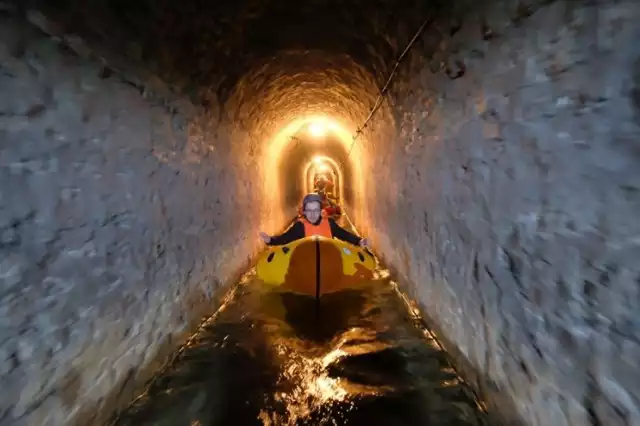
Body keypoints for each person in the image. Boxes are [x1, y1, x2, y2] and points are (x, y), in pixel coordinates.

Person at [259, 193, 369, 247]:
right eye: (309, 210)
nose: (312, 214)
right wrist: (271, 240)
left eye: (316, 210)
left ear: (321, 211)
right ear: (304, 212)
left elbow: (344, 234)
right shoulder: (299, 227)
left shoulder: (329, 223)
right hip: (306, 260)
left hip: (328, 257)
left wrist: (359, 241)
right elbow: (285, 238)